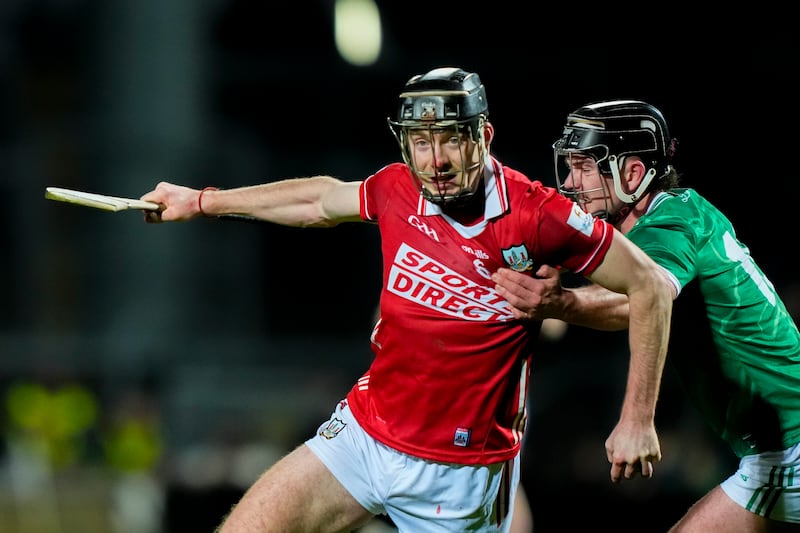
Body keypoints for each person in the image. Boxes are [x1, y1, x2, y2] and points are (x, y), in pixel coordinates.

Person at [140, 69, 673, 532]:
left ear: (483, 136)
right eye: (421, 141)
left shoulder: (538, 215)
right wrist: (203, 200)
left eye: (450, 140)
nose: (435, 160)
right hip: (364, 433)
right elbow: (317, 199)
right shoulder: (398, 189)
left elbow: (649, 286)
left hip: (459, 475)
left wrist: (636, 417)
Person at [493, 99, 800, 531]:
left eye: (584, 166)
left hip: (789, 445)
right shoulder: (677, 215)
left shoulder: (669, 224)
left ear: (633, 174)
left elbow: (640, 298)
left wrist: (560, 304)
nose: (569, 180)